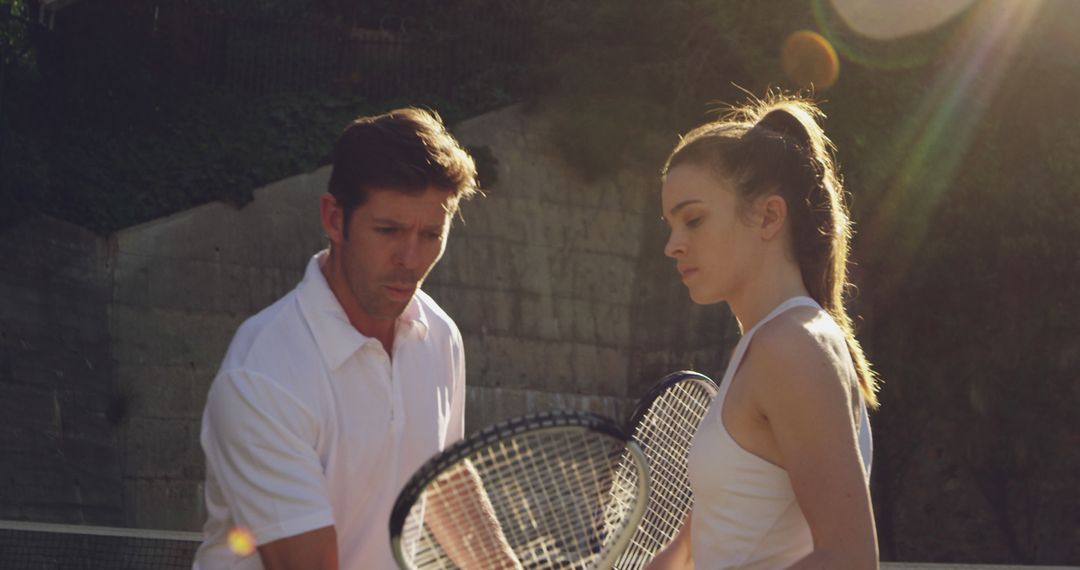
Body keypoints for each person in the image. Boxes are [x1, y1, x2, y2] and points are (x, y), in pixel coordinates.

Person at [194, 108, 485, 569]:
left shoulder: (440, 335)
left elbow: (445, 483)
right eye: (389, 230)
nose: (411, 258)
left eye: (431, 233)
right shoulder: (261, 376)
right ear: (334, 218)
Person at [646, 94, 880, 569]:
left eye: (693, 219)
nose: (673, 245)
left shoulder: (792, 346)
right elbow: (692, 547)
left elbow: (849, 559)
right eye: (670, 225)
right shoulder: (769, 344)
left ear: (770, 217)